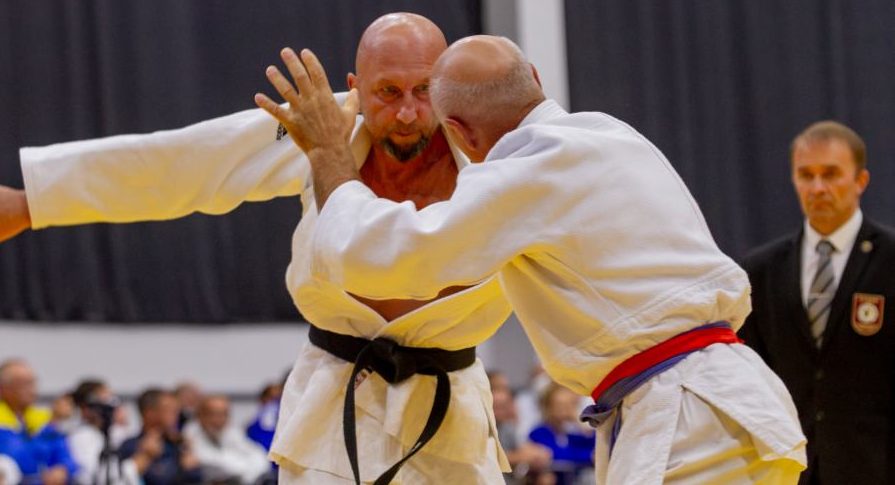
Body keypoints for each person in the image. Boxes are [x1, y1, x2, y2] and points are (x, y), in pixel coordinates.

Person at [257, 34, 808, 484]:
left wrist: (329, 154)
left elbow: (378, 257)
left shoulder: (524, 171)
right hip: (722, 395)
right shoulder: (611, 134)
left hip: (687, 413)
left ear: (458, 132)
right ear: (536, 80)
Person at [0, 13, 512, 483]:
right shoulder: (321, 128)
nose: (407, 113)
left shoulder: (498, 156)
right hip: (333, 412)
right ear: (355, 90)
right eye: (388, 92)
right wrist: (31, 202)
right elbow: (188, 163)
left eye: (424, 90)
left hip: (454, 420)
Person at [739, 121, 895, 484]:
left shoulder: (891, 260)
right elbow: (751, 375)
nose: (818, 187)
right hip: (790, 469)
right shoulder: (761, 269)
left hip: (876, 467)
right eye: (806, 175)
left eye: (831, 174)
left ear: (860, 181)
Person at [0, 360, 76, 485]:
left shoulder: (44, 418)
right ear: (4, 388)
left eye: (33, 382)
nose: (32, 389)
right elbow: (15, 459)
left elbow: (67, 456)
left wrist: (64, 469)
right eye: (25, 383)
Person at [117, 389, 201, 485]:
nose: (176, 415)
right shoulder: (131, 446)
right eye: (170, 410)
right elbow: (127, 478)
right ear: (149, 413)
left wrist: (187, 453)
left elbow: (196, 476)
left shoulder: (177, 444)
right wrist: (146, 456)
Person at [66, 380, 142, 485]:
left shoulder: (115, 432)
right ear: (86, 408)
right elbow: (93, 477)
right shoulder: (80, 437)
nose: (112, 405)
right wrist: (137, 463)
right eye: (104, 400)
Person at [186, 395, 269, 485]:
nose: (220, 419)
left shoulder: (232, 431)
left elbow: (260, 457)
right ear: (201, 416)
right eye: (214, 414)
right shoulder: (190, 433)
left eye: (224, 414)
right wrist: (244, 466)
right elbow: (209, 461)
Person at [528, 383, 594, 485]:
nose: (565, 410)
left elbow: (595, 445)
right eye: (560, 405)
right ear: (548, 407)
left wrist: (579, 422)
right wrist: (589, 456)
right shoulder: (539, 432)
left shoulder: (567, 434)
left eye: (569, 405)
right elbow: (557, 454)